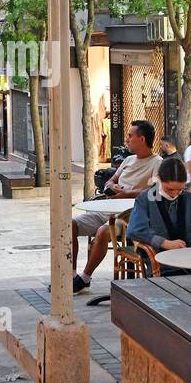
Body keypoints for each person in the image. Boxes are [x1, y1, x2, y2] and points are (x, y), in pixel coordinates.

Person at [71, 120, 163, 293]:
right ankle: (71, 275)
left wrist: (129, 193)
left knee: (103, 231)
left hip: (129, 216)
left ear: (142, 139)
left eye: (130, 136)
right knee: (69, 226)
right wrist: (111, 186)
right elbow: (111, 180)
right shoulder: (128, 159)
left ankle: (84, 278)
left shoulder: (157, 162)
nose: (126, 140)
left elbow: (155, 192)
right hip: (107, 210)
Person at [127, 157, 191, 272]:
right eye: (169, 189)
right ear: (159, 179)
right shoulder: (145, 200)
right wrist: (164, 243)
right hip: (162, 265)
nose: (174, 194)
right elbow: (135, 229)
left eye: (179, 190)